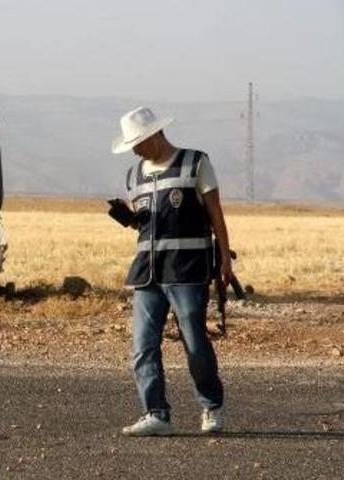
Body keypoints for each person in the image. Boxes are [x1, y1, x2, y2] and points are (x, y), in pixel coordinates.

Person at [110, 106, 232, 436]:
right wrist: (130, 219)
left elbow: (216, 214)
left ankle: (211, 405)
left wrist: (224, 258)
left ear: (154, 135)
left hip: (187, 271)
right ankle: (156, 414)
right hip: (147, 272)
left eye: (138, 142)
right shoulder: (133, 175)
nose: (134, 150)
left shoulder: (195, 163)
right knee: (142, 346)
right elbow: (146, 223)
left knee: (194, 342)